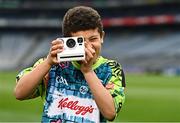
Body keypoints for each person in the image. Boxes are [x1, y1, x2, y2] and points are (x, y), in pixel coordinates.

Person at [14, 6, 126, 123]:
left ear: (102, 37)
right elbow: (19, 93)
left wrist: (87, 71)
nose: (87, 46)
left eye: (93, 39)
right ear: (67, 41)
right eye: (80, 41)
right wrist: (47, 63)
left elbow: (110, 113)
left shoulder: (111, 69)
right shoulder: (52, 64)